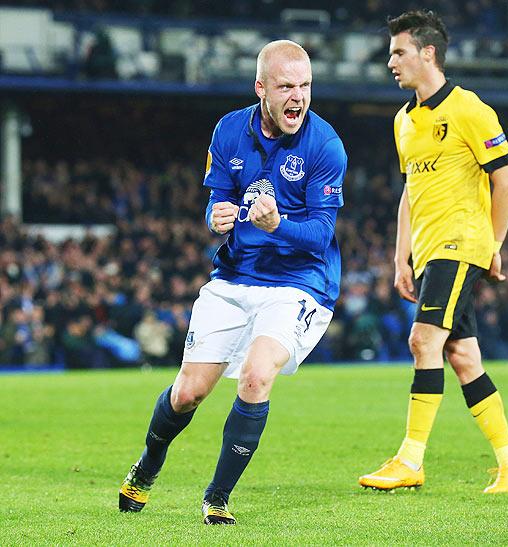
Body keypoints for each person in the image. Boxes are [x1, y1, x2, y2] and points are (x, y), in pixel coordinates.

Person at [118, 40, 347, 525]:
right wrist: (215, 215)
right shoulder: (227, 131)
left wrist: (276, 225)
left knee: (257, 375)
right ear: (261, 87)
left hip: (299, 283)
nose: (298, 97)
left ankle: (217, 497)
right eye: (287, 86)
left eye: (305, 86)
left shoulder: (325, 145)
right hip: (236, 276)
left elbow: (320, 235)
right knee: (187, 394)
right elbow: (217, 201)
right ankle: (147, 468)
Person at [358, 10, 508, 494]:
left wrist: (492, 245)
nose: (390, 61)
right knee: (462, 356)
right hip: (432, 250)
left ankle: (410, 459)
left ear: (427, 52)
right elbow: (410, 193)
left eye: (399, 52)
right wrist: (400, 257)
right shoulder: (404, 121)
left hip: (462, 244)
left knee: (422, 342)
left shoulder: (470, 110)